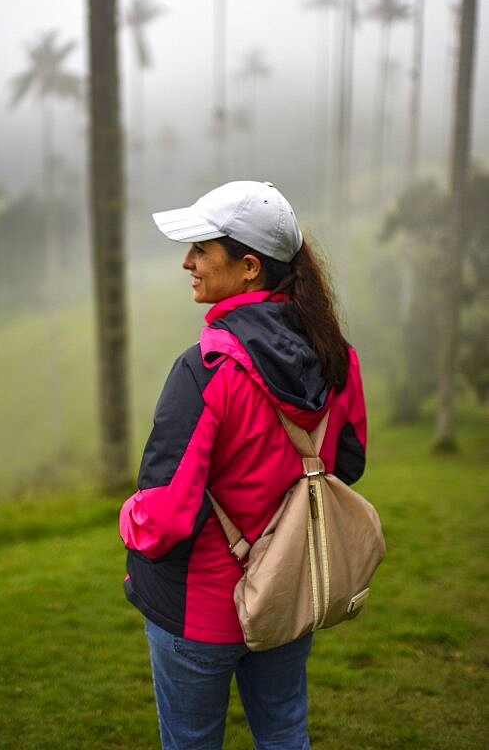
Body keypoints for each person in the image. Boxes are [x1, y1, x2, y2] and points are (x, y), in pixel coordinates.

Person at [119, 180, 367, 750]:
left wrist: (127, 517)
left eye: (202, 250)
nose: (188, 261)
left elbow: (164, 517)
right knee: (284, 732)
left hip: (199, 611)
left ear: (249, 266)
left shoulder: (205, 368)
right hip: (286, 595)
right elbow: (346, 465)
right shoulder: (337, 356)